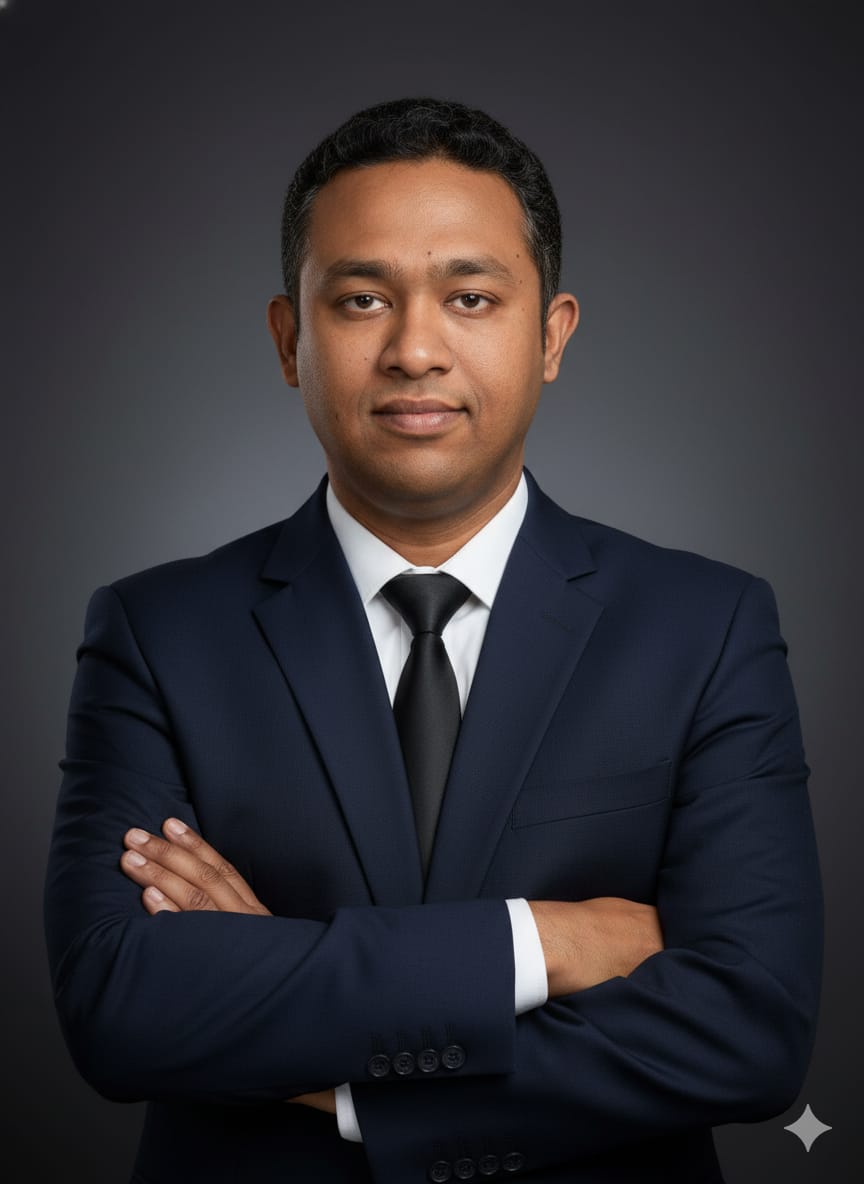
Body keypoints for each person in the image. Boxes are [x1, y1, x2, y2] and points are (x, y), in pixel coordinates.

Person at [44, 97, 823, 1184]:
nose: (415, 348)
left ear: (550, 335)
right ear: (288, 339)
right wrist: (542, 942)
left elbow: (750, 1034)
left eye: (469, 296)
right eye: (361, 298)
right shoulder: (157, 631)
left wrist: (336, 1077)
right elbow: (121, 1004)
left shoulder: (706, 626)